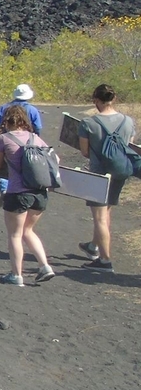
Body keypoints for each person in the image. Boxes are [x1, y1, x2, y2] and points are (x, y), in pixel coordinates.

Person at [0, 104, 56, 286]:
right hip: (39, 193)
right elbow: (55, 158)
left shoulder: (3, 139)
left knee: (14, 235)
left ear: (7, 120)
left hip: (18, 193)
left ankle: (16, 275)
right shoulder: (36, 138)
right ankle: (45, 266)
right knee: (28, 231)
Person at [77, 83, 135, 272]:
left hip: (98, 174)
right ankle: (94, 246)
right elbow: (129, 146)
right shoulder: (128, 121)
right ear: (114, 99)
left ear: (96, 100)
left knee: (100, 218)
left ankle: (105, 260)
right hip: (120, 171)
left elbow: (85, 152)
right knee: (107, 213)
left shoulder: (88, 124)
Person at [0, 84, 43, 203]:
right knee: (26, 165)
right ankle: (25, 188)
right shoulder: (32, 110)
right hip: (29, 143)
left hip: (7, 141)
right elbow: (38, 127)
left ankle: (5, 189)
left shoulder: (4, 108)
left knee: (5, 164)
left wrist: (2, 134)